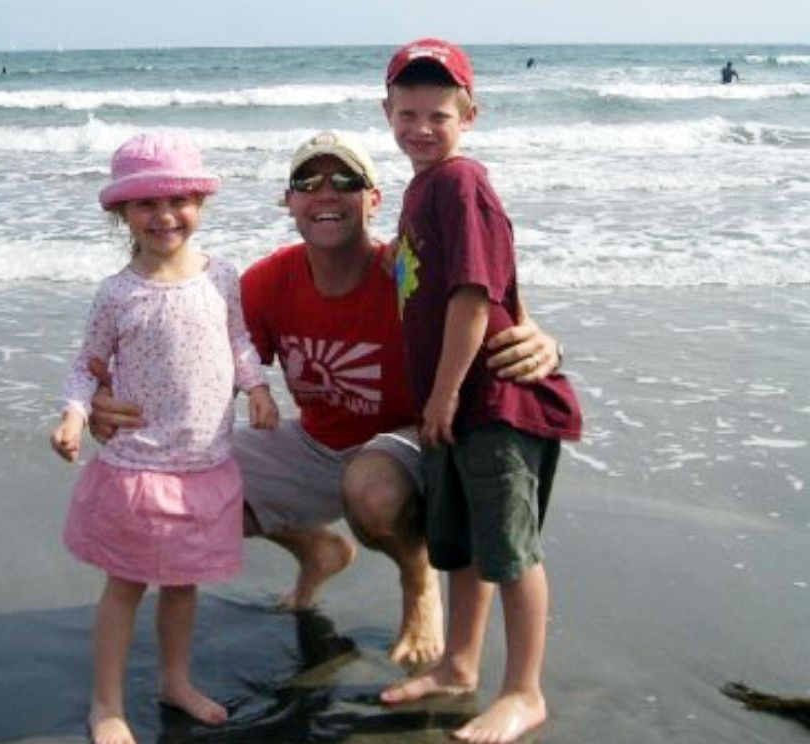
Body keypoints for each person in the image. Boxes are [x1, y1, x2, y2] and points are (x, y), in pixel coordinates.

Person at [88, 130, 563, 670]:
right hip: (316, 443)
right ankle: (317, 548)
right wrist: (106, 396)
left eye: (346, 181)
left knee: (371, 490)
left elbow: (483, 306)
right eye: (307, 182)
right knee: (189, 487)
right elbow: (192, 362)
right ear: (289, 202)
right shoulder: (267, 281)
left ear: (374, 199)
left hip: (410, 444)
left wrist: (545, 337)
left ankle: (418, 583)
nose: (326, 194)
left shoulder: (403, 272)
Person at [379, 39, 582, 744]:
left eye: (438, 114)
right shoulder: (419, 189)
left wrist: (441, 396)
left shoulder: (460, 182)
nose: (421, 127)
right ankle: (459, 666)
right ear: (386, 112)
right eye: (407, 113)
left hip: (494, 401)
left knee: (509, 549)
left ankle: (524, 691)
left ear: (470, 116)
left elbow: (474, 294)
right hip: (459, 405)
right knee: (462, 547)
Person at [49, 132, 279, 743]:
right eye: (147, 203)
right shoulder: (117, 294)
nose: (165, 215)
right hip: (138, 467)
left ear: (199, 205)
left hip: (205, 464)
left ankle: (174, 681)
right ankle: (106, 705)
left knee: (182, 585)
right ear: (121, 212)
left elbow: (238, 342)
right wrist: (74, 414)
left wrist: (256, 388)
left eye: (178, 199)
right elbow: (86, 365)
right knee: (124, 586)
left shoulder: (222, 276)